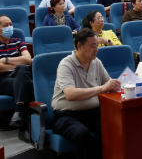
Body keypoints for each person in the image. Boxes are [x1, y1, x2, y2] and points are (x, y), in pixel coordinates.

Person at [51, 28, 120, 159]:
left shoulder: (96, 62)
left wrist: (120, 84)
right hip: (66, 115)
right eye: (93, 46)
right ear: (79, 46)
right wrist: (102, 88)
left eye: (97, 45)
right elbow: (70, 94)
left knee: (115, 126)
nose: (97, 49)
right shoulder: (66, 64)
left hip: (93, 112)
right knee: (81, 133)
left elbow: (109, 85)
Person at [0, 15, 33, 142]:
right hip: (0, 80)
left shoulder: (18, 41)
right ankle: (25, 127)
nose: (9, 27)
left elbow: (28, 59)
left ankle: (19, 114)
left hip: (19, 76)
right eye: (5, 25)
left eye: (11, 24)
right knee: (28, 82)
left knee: (22, 70)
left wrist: (5, 60)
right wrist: (17, 63)